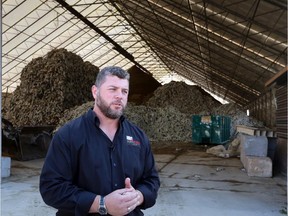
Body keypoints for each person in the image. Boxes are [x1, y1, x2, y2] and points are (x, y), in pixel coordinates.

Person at [39, 66, 160, 216]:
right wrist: (101, 204)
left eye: (124, 91)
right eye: (113, 89)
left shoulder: (138, 137)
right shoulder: (68, 135)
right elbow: (51, 188)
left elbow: (152, 181)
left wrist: (138, 196)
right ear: (95, 92)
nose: (119, 96)